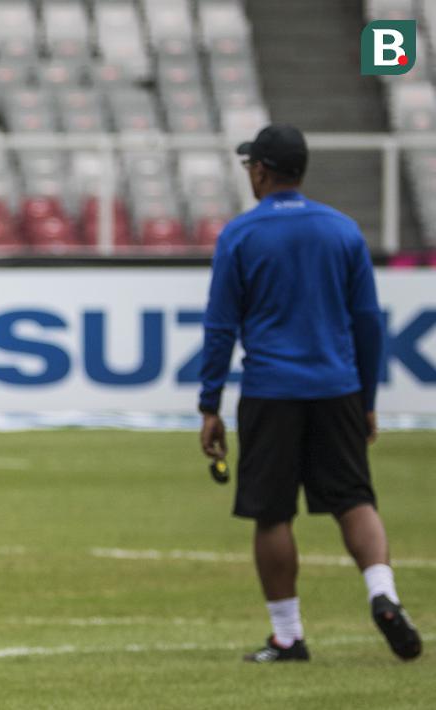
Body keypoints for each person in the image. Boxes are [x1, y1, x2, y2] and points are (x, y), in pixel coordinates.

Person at [199, 124, 422, 664]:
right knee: (355, 500)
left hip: (272, 390)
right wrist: (366, 398)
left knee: (272, 514)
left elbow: (221, 326)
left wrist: (210, 405)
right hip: (337, 386)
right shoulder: (343, 231)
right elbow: (368, 322)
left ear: (261, 170)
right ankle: (382, 593)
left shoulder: (241, 235)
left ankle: (287, 634)